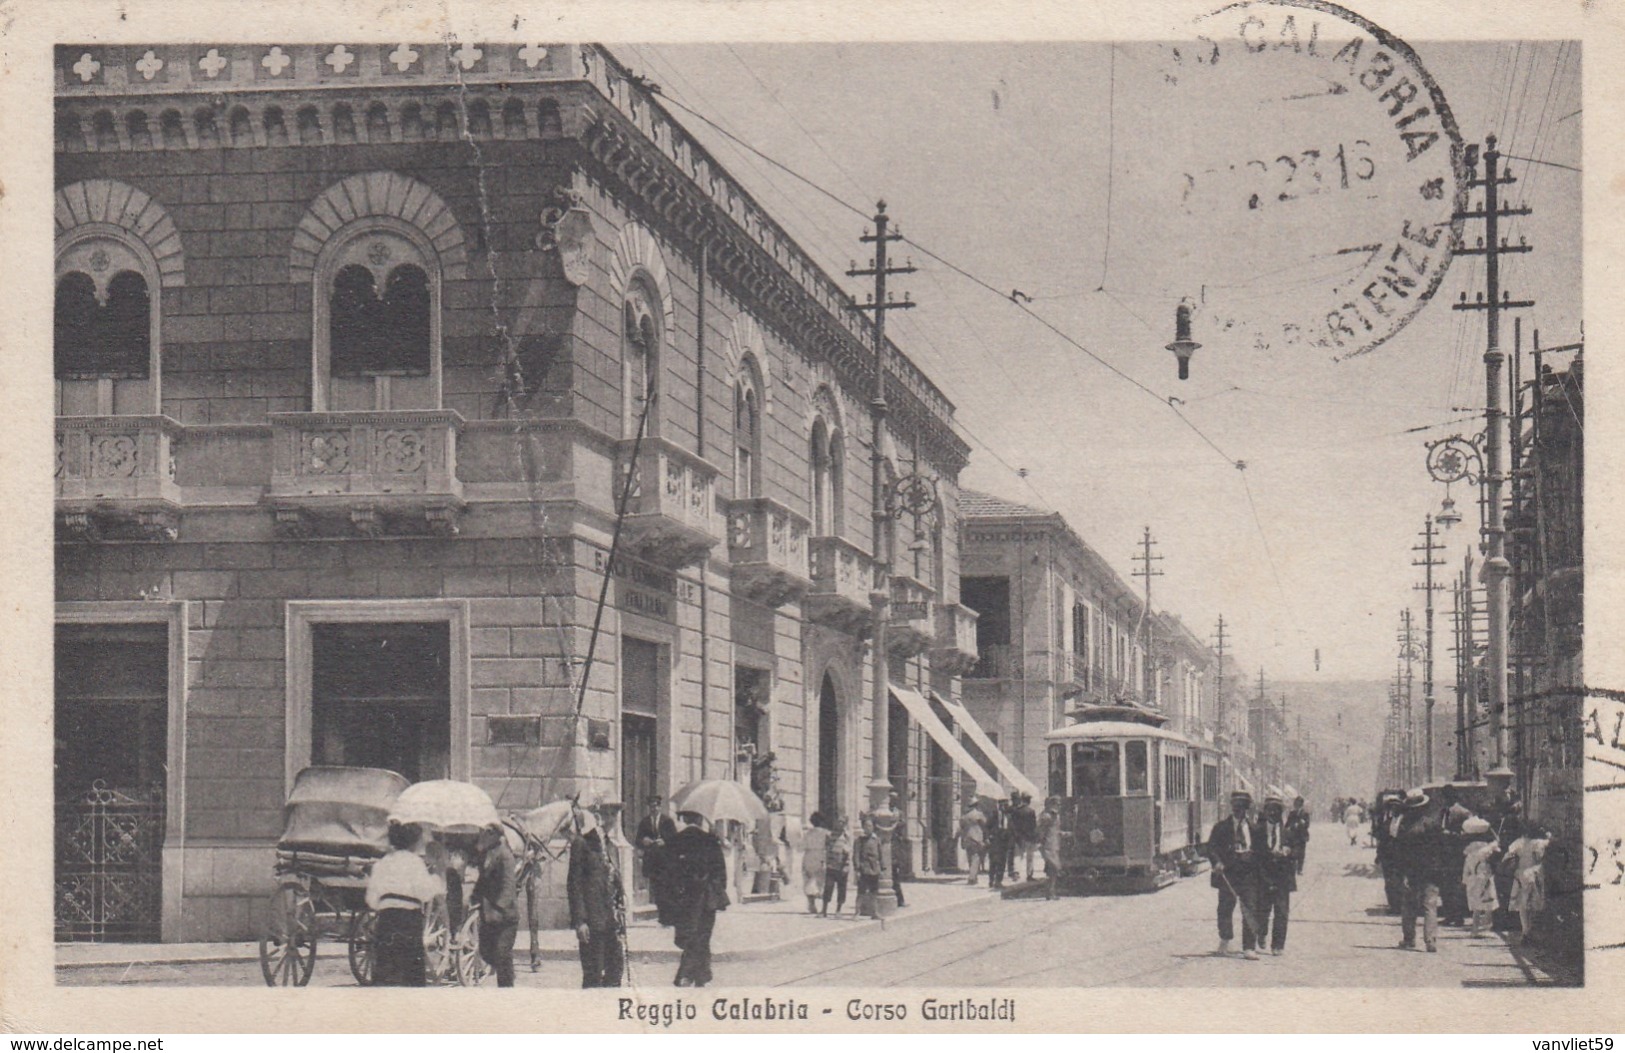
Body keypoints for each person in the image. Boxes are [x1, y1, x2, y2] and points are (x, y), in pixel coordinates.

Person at [365, 821, 442, 986]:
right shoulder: (415, 863)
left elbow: (371, 900)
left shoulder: (381, 864)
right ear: (413, 841)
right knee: (411, 975)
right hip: (409, 921)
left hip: (386, 921)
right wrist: (436, 877)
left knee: (385, 974)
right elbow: (425, 893)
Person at [665, 809, 728, 987]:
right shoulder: (710, 839)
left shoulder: (677, 840)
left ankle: (696, 974)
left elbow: (669, 872)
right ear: (701, 819)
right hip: (708, 896)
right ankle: (694, 974)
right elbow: (721, 872)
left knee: (689, 935)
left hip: (685, 896)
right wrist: (717, 890)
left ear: (684, 819)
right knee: (703, 935)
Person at [566, 809, 625, 988]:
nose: (612, 819)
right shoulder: (582, 843)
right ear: (596, 816)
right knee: (593, 975)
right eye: (608, 813)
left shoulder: (612, 847)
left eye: (614, 814)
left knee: (615, 971)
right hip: (592, 922)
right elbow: (574, 885)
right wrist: (580, 922)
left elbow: (615, 880)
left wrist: (621, 905)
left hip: (611, 921)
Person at [1206, 790, 1262, 959]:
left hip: (1248, 874)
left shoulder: (1255, 829)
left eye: (1242, 808)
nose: (1238, 811)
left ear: (1247, 809)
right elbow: (1211, 848)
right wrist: (1217, 862)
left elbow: (1261, 852)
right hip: (1228, 874)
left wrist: (1252, 856)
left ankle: (1249, 947)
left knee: (1250, 908)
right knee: (1225, 908)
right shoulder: (1221, 827)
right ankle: (1225, 940)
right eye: (1236, 807)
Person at [1394, 789, 1442, 952]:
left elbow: (1400, 851)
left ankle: (1409, 939)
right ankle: (1431, 940)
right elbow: (1440, 847)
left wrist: (1402, 873)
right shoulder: (1432, 823)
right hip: (1431, 870)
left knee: (1409, 905)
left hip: (1412, 871)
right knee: (1430, 906)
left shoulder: (1405, 826)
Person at [472, 821, 519, 986]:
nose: (482, 835)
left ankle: (506, 990)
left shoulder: (505, 855)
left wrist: (499, 908)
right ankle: (507, 969)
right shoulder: (486, 854)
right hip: (488, 915)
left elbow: (508, 886)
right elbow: (482, 881)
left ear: (494, 835)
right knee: (485, 952)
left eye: (486, 832)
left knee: (501, 953)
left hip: (505, 917)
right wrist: (473, 898)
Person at [1256, 793, 1297, 956]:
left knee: (1281, 912)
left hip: (1282, 876)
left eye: (1276, 810)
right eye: (1270, 810)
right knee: (1263, 910)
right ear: (1265, 811)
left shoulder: (1287, 831)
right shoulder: (1257, 831)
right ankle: (1261, 933)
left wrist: (1288, 851)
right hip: (1264, 875)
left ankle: (1278, 945)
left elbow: (1298, 850)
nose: (1273, 813)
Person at [635, 794, 679, 926]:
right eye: (651, 806)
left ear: (660, 807)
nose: (653, 809)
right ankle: (662, 916)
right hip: (652, 861)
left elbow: (675, 840)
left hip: (665, 862)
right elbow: (638, 840)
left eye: (656, 806)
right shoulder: (645, 822)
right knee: (657, 889)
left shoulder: (667, 821)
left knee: (666, 888)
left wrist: (665, 841)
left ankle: (668, 917)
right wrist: (644, 841)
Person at [1505, 822, 1550, 945]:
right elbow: (1540, 857)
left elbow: (1508, 856)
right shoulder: (1539, 843)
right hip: (1534, 873)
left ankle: (1525, 931)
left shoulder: (1518, 842)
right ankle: (1528, 932)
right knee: (1534, 904)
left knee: (1522, 905)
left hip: (1520, 875)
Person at [1461, 816, 1499, 939]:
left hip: (1473, 878)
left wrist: (1465, 880)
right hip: (1485, 878)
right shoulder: (1487, 849)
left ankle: (1475, 929)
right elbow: (1497, 842)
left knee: (1476, 905)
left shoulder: (1469, 852)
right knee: (1488, 902)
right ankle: (1486, 926)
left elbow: (1466, 869)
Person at [1373, 791, 1405, 914]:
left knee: (1400, 880)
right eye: (1392, 806)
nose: (1394, 808)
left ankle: (1400, 905)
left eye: (1396, 806)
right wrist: (1379, 854)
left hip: (1401, 855)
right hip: (1388, 855)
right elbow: (1382, 839)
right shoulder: (1388, 822)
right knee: (1389, 882)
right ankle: (1394, 905)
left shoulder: (1405, 820)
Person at [821, 814, 851, 916]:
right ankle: (824, 910)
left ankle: (838, 910)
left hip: (842, 866)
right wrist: (824, 862)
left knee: (841, 889)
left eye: (843, 822)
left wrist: (847, 865)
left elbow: (849, 851)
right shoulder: (829, 835)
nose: (840, 824)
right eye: (839, 821)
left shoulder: (847, 835)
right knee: (828, 887)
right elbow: (825, 849)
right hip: (831, 865)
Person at [854, 813, 883, 918]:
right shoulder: (859, 841)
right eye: (866, 826)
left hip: (874, 869)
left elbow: (880, 855)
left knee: (874, 892)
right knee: (861, 892)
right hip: (864, 869)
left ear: (873, 827)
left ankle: (875, 912)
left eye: (870, 826)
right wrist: (857, 869)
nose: (868, 828)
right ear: (863, 827)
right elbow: (856, 855)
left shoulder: (876, 840)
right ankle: (857, 912)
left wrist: (882, 869)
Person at [800, 812, 829, 915]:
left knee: (808, 879)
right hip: (820, 856)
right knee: (819, 880)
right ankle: (818, 900)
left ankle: (811, 903)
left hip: (809, 856)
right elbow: (828, 846)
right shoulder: (826, 833)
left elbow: (802, 847)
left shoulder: (808, 834)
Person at [1010, 791, 1040, 881]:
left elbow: (1013, 824)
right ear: (1029, 800)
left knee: (1018, 855)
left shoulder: (1016, 811)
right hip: (1029, 837)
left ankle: (1016, 873)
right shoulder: (1031, 811)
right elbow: (1034, 825)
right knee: (1030, 857)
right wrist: (1035, 836)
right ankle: (1029, 875)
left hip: (1019, 836)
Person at [1038, 796, 1062, 900]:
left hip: (1054, 844)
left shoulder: (1056, 816)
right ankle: (1049, 891)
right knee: (1054, 867)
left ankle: (1050, 892)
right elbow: (1041, 831)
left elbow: (1055, 830)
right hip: (1048, 845)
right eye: (1057, 803)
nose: (1059, 806)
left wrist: (1063, 834)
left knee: (1052, 870)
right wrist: (1040, 843)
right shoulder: (1046, 816)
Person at [958, 797, 987, 884]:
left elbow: (961, 828)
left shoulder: (964, 816)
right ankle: (972, 877)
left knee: (970, 858)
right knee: (976, 857)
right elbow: (985, 824)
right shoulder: (979, 814)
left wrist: (961, 840)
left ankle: (974, 877)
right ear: (976, 805)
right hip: (976, 838)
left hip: (967, 838)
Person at [985, 797, 1010, 890]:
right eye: (1005, 805)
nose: (1006, 807)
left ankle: (999, 881)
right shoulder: (994, 814)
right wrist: (987, 837)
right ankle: (991, 880)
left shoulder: (1007, 815)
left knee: (1002, 861)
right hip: (995, 840)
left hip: (1004, 840)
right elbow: (987, 827)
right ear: (1000, 805)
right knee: (994, 861)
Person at [1286, 795, 1312, 876]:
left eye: (1297, 803)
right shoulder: (1292, 813)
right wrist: (1287, 829)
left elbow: (1307, 824)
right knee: (1293, 852)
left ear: (1301, 804)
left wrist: (1302, 823)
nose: (1296, 805)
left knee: (1301, 853)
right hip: (1293, 835)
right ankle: (1293, 867)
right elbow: (1288, 823)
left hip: (1302, 836)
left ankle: (1300, 869)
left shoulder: (1305, 814)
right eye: (1295, 803)